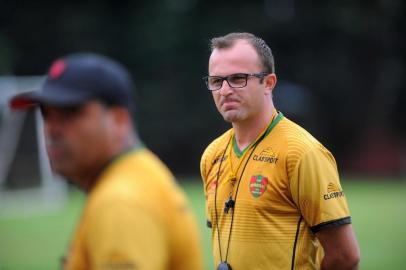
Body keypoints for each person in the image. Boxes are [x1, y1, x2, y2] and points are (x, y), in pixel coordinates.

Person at [10, 53, 203, 270]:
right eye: (46, 114)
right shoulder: (137, 175)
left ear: (119, 120)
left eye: (69, 113)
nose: (51, 129)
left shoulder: (121, 202)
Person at [200, 32, 360, 270]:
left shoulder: (302, 153)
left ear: (269, 83)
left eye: (237, 78)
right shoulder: (212, 155)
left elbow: (345, 257)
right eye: (216, 81)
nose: (224, 90)